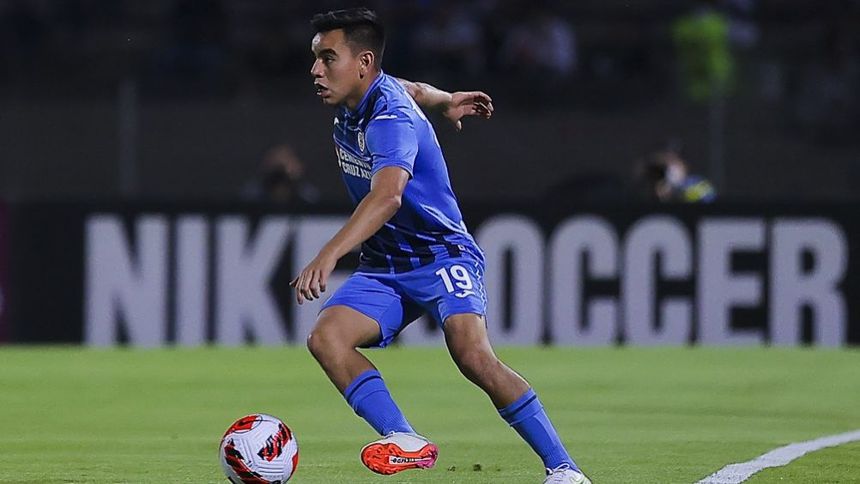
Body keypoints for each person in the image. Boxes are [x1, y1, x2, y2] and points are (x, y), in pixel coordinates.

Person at [291, 8, 591, 484]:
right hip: (386, 264)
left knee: (472, 354)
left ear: (363, 63)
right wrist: (446, 99)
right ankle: (404, 438)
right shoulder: (364, 98)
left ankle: (564, 469)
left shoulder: (388, 119)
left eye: (328, 58)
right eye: (315, 58)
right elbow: (411, 87)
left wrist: (328, 254)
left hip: (441, 255)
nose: (315, 70)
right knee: (326, 339)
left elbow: (387, 196)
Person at [636, 149, 716, 203]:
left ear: (684, 165)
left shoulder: (697, 183)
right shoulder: (657, 185)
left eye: (674, 162)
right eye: (667, 163)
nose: (671, 168)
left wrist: (679, 192)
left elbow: (710, 201)